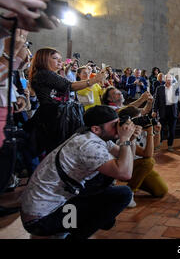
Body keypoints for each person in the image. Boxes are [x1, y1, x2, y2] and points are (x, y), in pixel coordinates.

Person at [20, 105, 140, 239]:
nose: (118, 128)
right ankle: (71, 235)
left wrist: (130, 140)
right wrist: (124, 139)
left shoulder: (92, 136)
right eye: (114, 125)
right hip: (41, 220)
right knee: (123, 194)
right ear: (96, 128)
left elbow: (127, 159)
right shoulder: (88, 146)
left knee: (107, 189)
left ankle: (68, 227)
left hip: (49, 207)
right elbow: (125, 173)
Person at [24, 48, 107, 157]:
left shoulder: (48, 74)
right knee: (54, 150)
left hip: (56, 115)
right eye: (55, 58)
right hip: (52, 117)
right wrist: (93, 80)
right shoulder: (44, 74)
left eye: (60, 59)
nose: (60, 62)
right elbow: (69, 86)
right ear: (43, 59)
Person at [117, 106, 167, 208]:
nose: (142, 120)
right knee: (149, 161)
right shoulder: (125, 133)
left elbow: (155, 147)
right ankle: (129, 192)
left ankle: (137, 180)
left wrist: (156, 132)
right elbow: (147, 154)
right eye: (138, 118)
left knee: (161, 191)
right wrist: (149, 132)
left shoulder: (141, 129)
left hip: (140, 167)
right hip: (127, 165)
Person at [152, 74, 180, 152]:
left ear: (172, 80)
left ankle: (170, 145)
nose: (169, 79)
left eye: (170, 78)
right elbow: (156, 101)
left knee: (172, 130)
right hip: (163, 110)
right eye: (167, 78)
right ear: (164, 79)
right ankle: (158, 144)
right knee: (160, 129)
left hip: (173, 111)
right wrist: (154, 110)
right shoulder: (159, 88)